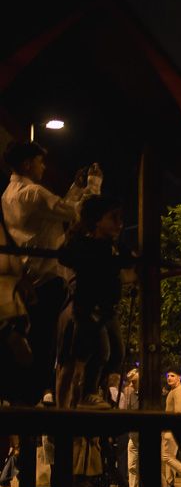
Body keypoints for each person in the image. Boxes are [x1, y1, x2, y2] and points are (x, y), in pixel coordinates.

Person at [2, 141, 98, 404]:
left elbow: (57, 210)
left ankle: (18, 396)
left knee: (28, 338)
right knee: (44, 342)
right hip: (45, 276)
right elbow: (73, 212)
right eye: (40, 161)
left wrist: (76, 188)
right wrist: (92, 187)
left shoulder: (8, 194)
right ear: (27, 164)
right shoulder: (34, 193)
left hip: (23, 275)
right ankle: (32, 396)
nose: (43, 167)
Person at [55, 196, 131, 407]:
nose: (119, 224)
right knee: (98, 350)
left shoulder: (113, 247)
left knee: (117, 351)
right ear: (97, 221)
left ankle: (94, 389)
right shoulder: (84, 245)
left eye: (120, 218)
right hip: (88, 305)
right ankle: (87, 392)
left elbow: (130, 261)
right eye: (113, 218)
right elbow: (65, 256)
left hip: (108, 307)